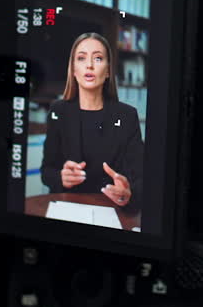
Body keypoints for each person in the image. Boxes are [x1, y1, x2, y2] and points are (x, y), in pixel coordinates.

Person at [40, 32, 144, 211]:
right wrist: (61, 177)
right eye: (81, 58)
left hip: (112, 211)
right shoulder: (58, 111)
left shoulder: (127, 115)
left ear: (108, 71)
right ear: (74, 70)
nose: (89, 65)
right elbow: (47, 171)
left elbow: (141, 177)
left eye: (97, 58)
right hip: (67, 207)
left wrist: (129, 192)